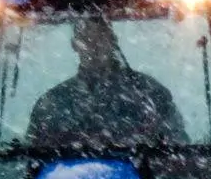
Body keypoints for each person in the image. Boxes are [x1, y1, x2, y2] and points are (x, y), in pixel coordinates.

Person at [27, 17, 186, 145]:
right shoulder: (53, 104)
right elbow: (31, 158)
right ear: (75, 45)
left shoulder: (150, 94)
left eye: (101, 37)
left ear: (113, 41)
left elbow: (177, 150)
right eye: (87, 38)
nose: (94, 46)